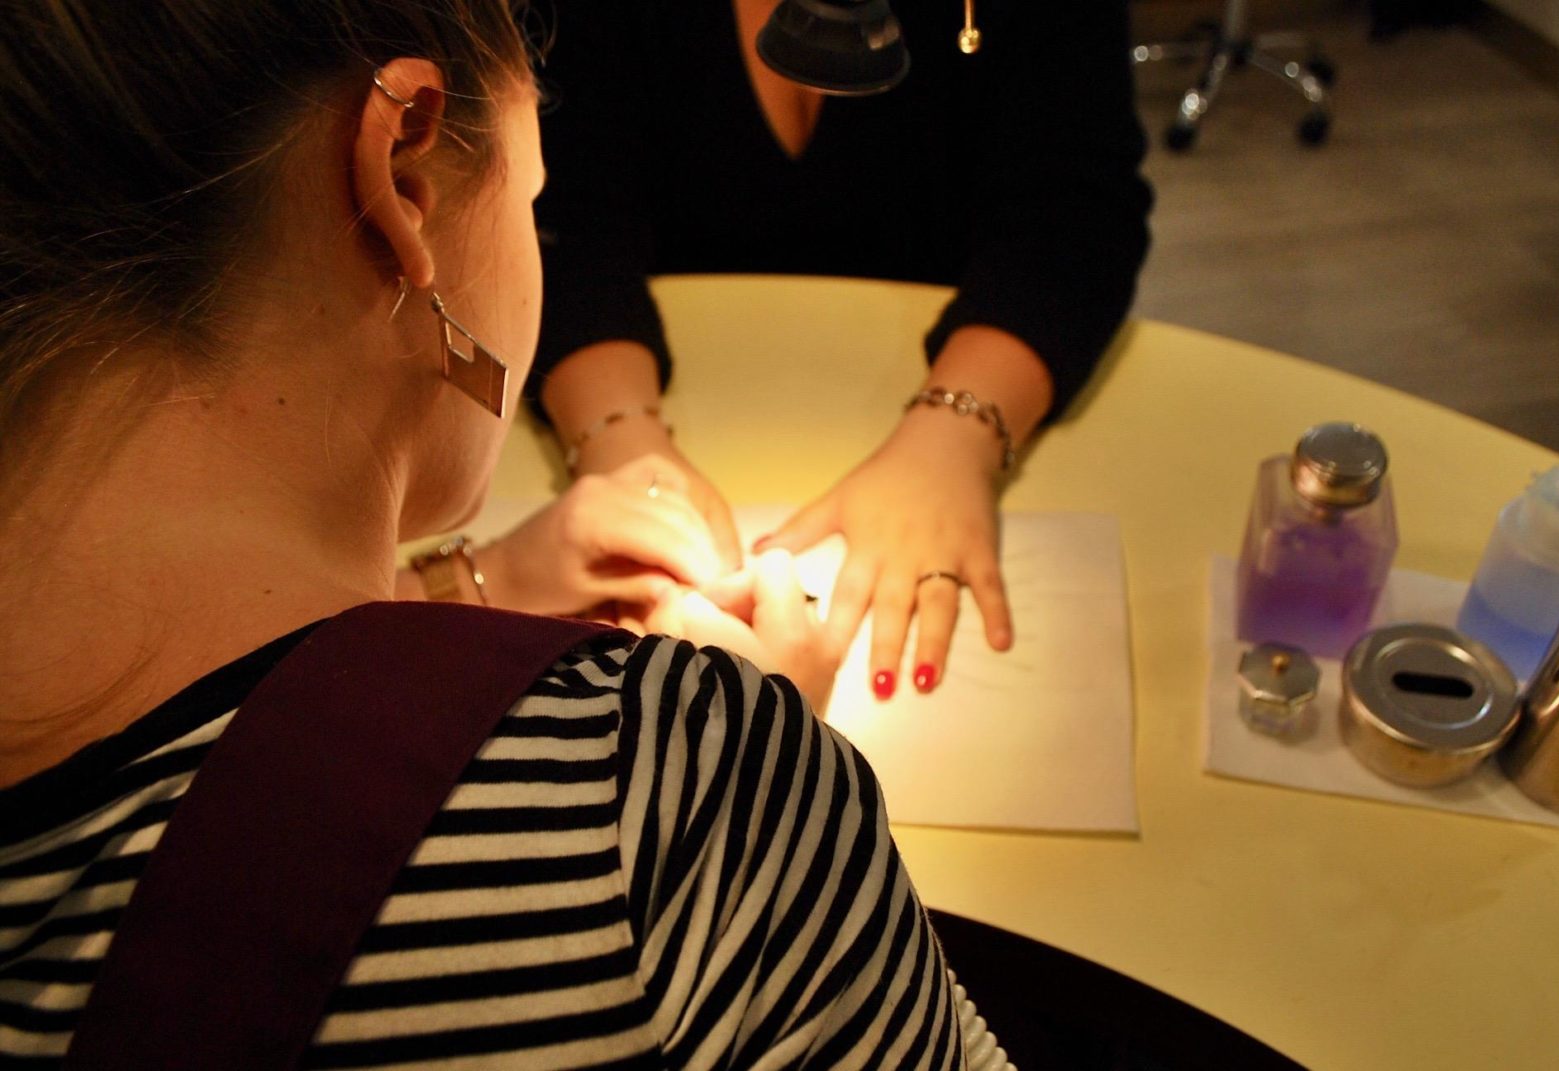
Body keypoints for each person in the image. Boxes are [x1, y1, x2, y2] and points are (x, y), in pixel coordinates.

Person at [0, 2, 994, 1065]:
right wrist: (749, 799)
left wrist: (467, 583)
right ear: (403, 176)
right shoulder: (676, 802)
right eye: (532, 196)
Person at [530, 0, 1153, 700]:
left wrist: (956, 435)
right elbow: (558, 203)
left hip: (963, 379)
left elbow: (1076, 207)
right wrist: (615, 432)